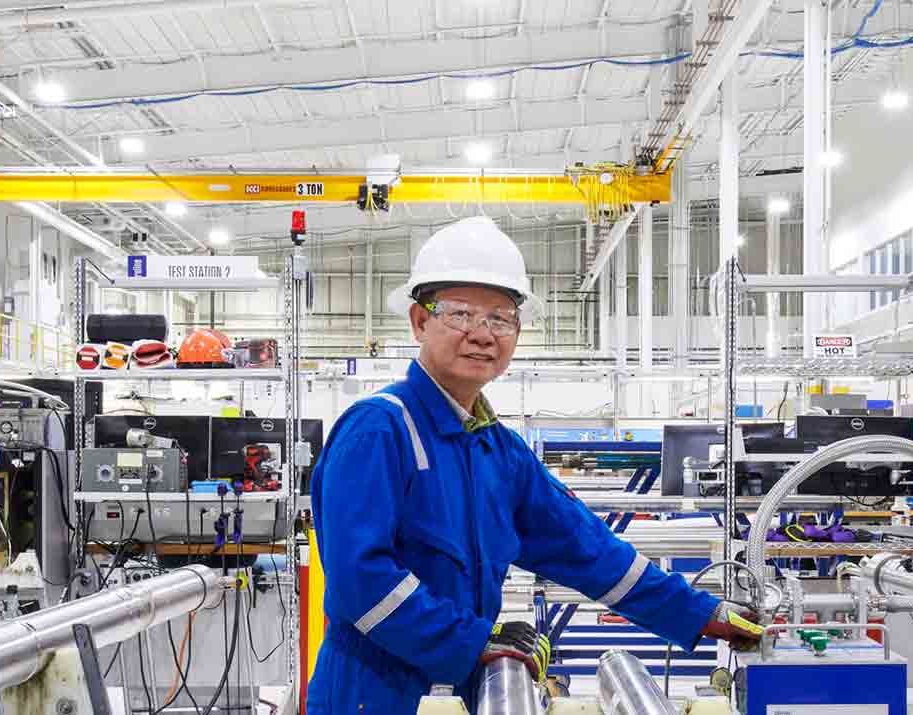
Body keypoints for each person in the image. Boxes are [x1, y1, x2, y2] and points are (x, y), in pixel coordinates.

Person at [306, 217, 764, 713]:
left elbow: (583, 546)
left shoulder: (498, 450)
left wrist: (699, 611)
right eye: (461, 314)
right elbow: (361, 580)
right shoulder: (378, 430)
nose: (483, 334)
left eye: (500, 318)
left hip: (461, 686)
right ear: (420, 321)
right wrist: (469, 641)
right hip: (373, 692)